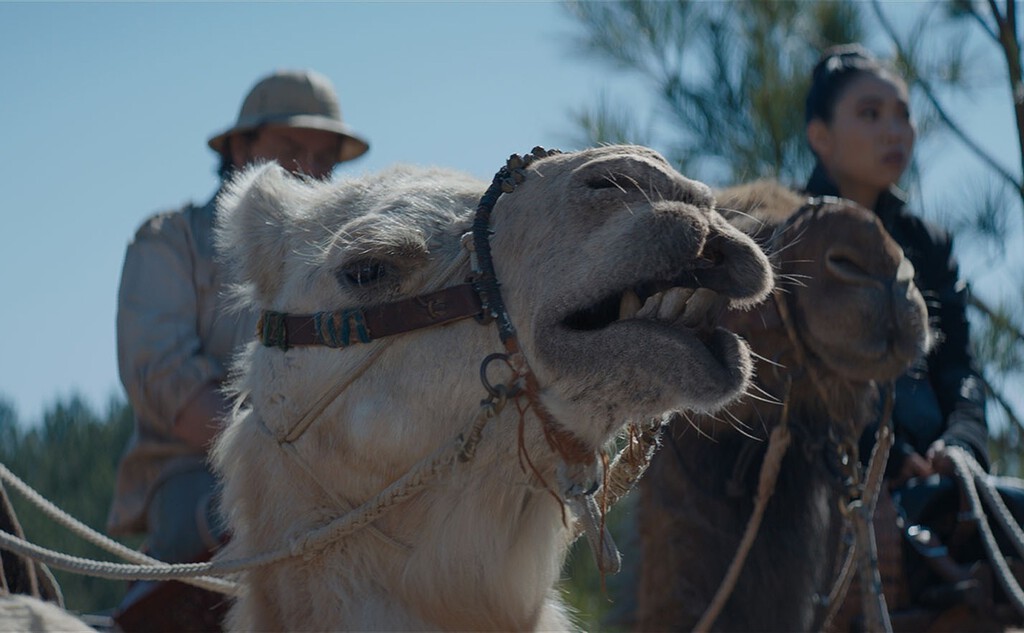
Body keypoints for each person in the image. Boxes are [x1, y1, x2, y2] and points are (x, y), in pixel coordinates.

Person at [106, 68, 369, 627]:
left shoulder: (347, 267)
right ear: (241, 150)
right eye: (291, 149)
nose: (310, 170)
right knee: (218, 523)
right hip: (195, 472)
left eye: (326, 158)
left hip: (340, 474)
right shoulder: (170, 240)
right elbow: (169, 384)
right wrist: (289, 464)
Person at [803, 44, 989, 485]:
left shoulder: (928, 243)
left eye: (903, 115)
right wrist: (885, 456)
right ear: (821, 136)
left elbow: (958, 366)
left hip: (940, 477)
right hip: (825, 482)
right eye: (870, 114)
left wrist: (963, 441)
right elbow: (799, 378)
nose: (895, 131)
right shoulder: (791, 236)